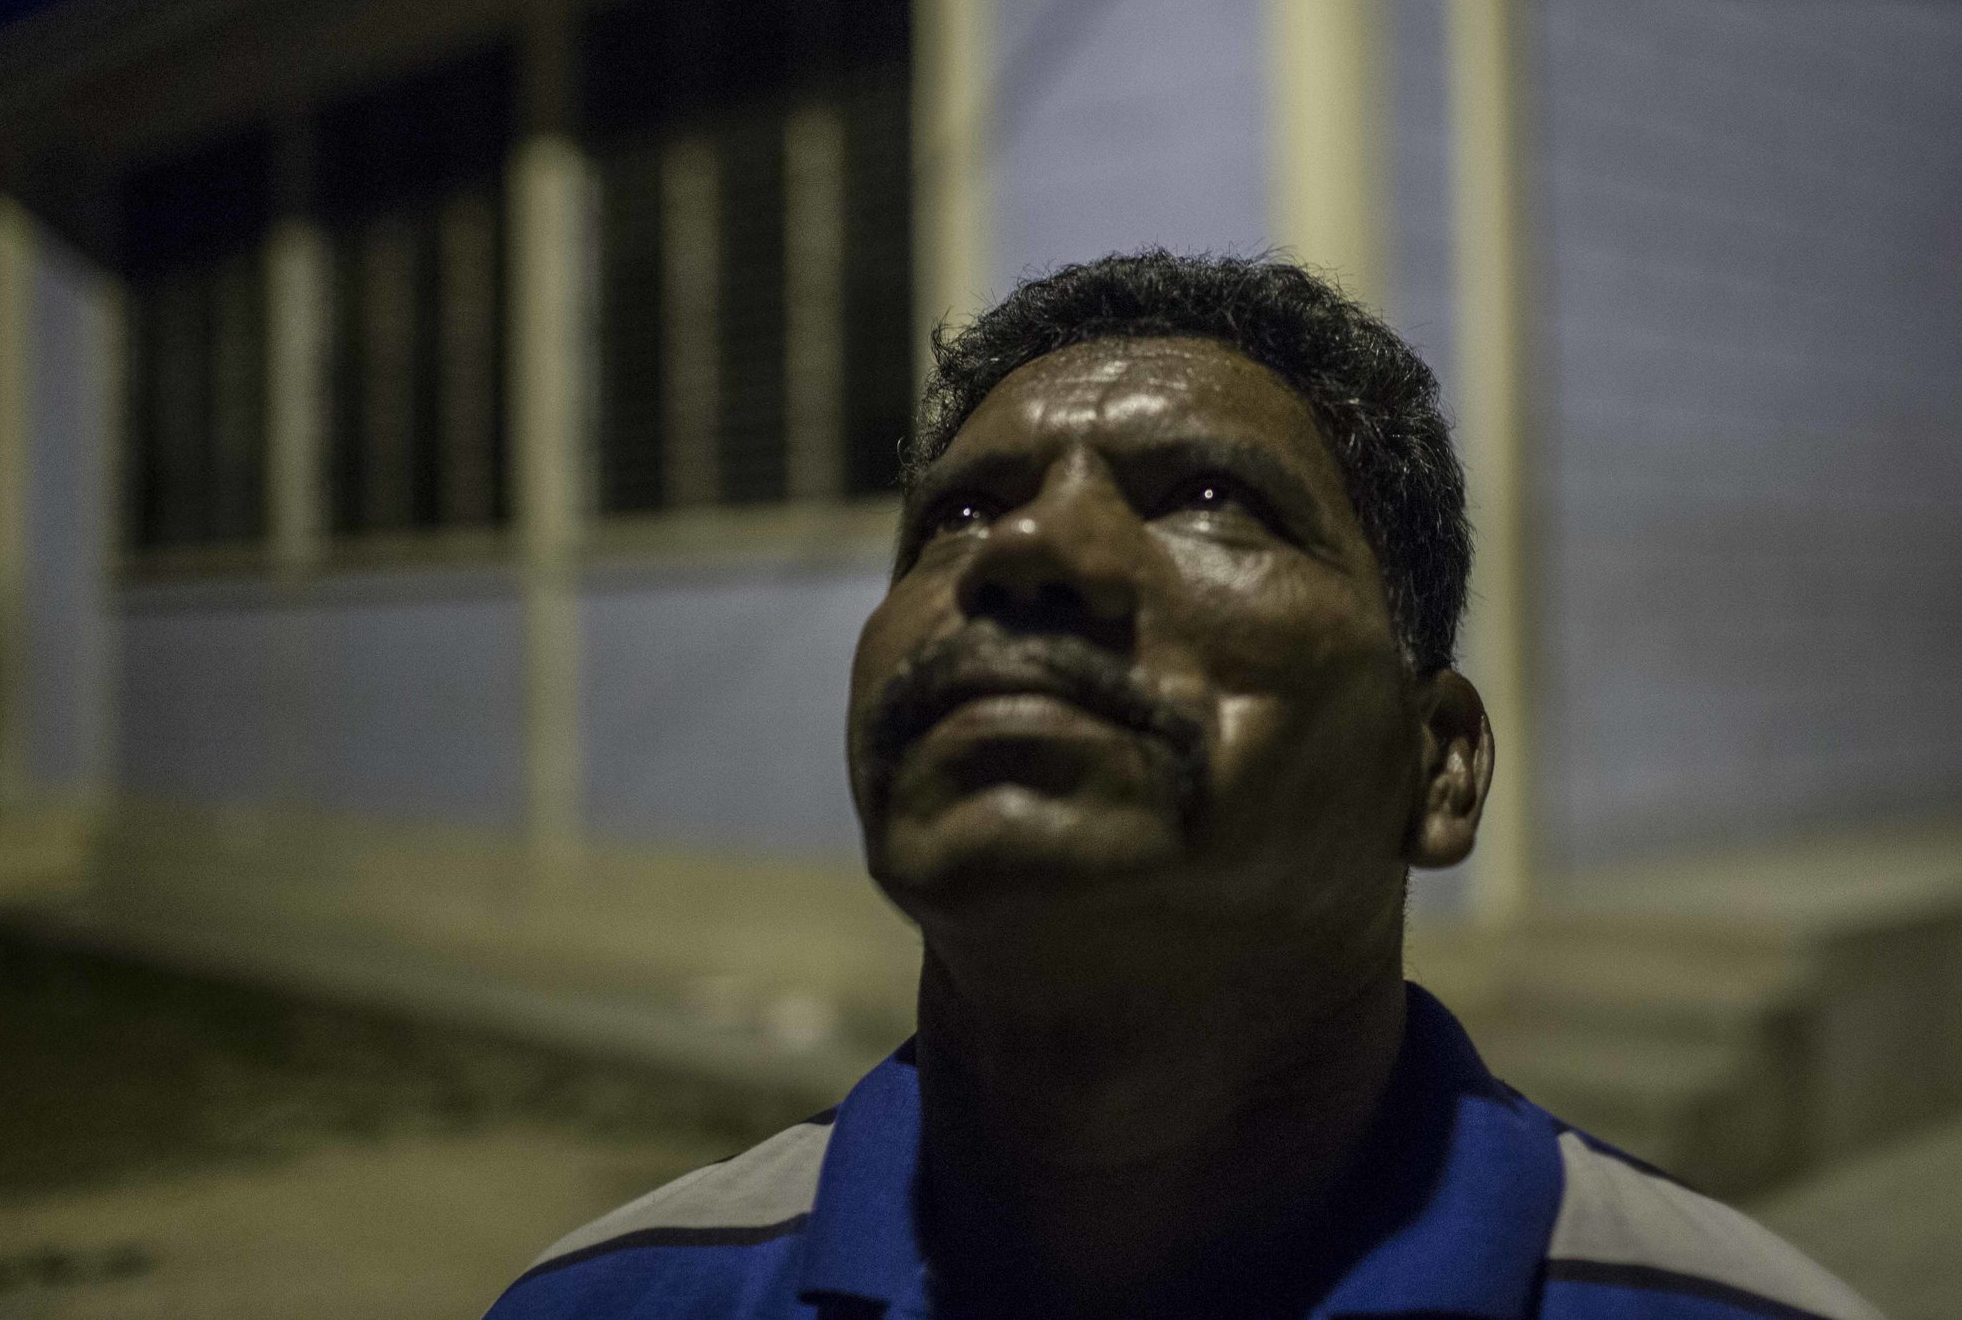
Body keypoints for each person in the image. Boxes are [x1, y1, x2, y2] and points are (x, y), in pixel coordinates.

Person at [483, 252, 1880, 1320]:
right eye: (960, 513)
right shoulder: (612, 1298)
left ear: (1438, 764)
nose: (1027, 550)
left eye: (1210, 498)